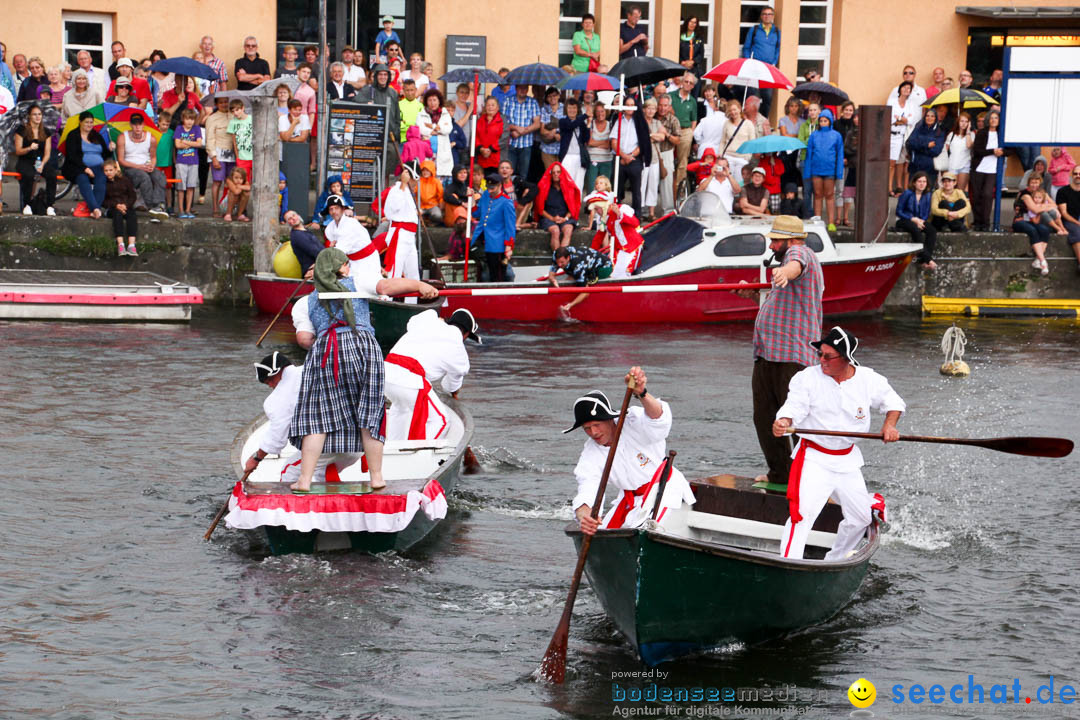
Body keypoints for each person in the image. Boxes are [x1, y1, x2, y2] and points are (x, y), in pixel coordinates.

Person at [287, 247, 437, 492]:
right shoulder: (358, 281)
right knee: (370, 412)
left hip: (326, 351)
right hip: (363, 347)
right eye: (347, 264)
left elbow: (304, 338)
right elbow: (387, 287)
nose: (349, 268)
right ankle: (377, 477)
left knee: (318, 419)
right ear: (342, 267)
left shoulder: (305, 302)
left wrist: (327, 344)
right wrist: (419, 286)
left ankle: (304, 480)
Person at [772, 327, 904, 561]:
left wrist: (890, 426)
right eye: (820, 354)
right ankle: (788, 564)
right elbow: (795, 406)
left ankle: (835, 560)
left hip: (847, 459)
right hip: (814, 458)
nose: (821, 360)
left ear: (846, 358)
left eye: (828, 356)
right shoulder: (807, 378)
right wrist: (784, 420)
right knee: (801, 516)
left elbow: (893, 401)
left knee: (861, 518)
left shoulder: (868, 379)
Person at [742, 215, 823, 487]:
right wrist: (751, 295)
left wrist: (784, 272)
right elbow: (777, 303)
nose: (772, 245)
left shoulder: (801, 253)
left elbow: (795, 265)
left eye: (776, 240)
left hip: (791, 356)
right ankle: (781, 474)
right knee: (764, 417)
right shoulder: (784, 266)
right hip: (767, 354)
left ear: (790, 240)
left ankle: (808, 478)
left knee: (795, 419)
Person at [569, 367, 696, 535]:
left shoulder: (633, 420)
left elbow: (660, 420)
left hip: (664, 491)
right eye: (587, 428)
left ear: (609, 420)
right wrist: (585, 517)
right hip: (629, 501)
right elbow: (587, 488)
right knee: (600, 534)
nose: (593, 433)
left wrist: (642, 393)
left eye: (596, 425)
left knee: (647, 533)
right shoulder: (590, 453)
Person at [248, 351, 359, 484]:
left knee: (288, 472)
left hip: (329, 444)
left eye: (270, 381)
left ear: (278, 372)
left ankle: (288, 504)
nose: (271, 386)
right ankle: (331, 501)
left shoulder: (277, 398)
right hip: (357, 443)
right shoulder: (315, 369)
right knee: (321, 472)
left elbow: (277, 436)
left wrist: (256, 458)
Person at [384, 308, 478, 442]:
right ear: (466, 334)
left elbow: (411, 323)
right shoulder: (459, 350)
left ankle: (395, 449)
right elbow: (449, 386)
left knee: (401, 409)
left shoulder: (428, 319)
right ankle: (417, 458)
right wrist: (454, 391)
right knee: (441, 421)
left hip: (384, 373)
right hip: (409, 380)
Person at [116, 113, 168, 218]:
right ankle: (152, 206)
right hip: (130, 167)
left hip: (146, 165)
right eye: (135, 124)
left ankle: (159, 204)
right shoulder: (122, 137)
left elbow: (153, 157)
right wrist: (139, 166)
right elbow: (121, 160)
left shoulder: (151, 138)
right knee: (144, 177)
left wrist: (152, 165)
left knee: (160, 176)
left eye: (139, 124)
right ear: (131, 125)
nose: (137, 127)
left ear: (143, 125)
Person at [62, 110, 112, 219]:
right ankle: (95, 208)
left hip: (99, 166)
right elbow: (72, 156)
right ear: (80, 122)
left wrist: (110, 149)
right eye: (86, 122)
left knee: (101, 179)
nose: (89, 125)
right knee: (82, 179)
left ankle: (94, 209)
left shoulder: (97, 135)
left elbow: (105, 154)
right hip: (77, 167)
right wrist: (85, 168)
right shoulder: (73, 135)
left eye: (91, 122)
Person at [378, 167, 421, 280]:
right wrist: (403, 184)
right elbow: (393, 208)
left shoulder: (409, 193)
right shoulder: (396, 189)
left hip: (410, 236)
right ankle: (389, 297)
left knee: (413, 275)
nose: (416, 183)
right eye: (414, 179)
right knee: (394, 272)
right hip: (400, 235)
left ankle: (411, 298)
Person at [13, 103, 57, 215]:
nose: (38, 117)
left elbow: (47, 153)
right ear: (29, 116)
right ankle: (27, 204)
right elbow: (18, 151)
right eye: (34, 114)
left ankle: (50, 205)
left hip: (40, 161)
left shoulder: (46, 132)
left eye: (39, 114)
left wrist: (42, 164)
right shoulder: (21, 130)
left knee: (52, 175)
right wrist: (29, 148)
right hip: (25, 160)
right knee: (29, 175)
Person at [611, 95, 650, 218]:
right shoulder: (618, 120)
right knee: (617, 190)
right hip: (619, 159)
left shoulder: (640, 122)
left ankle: (636, 218)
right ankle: (616, 216)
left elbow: (643, 143)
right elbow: (613, 141)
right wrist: (623, 156)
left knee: (636, 191)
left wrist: (630, 156)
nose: (629, 107)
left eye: (631, 105)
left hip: (634, 159)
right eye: (626, 105)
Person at [802, 108, 842, 229]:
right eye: (821, 121)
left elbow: (840, 155)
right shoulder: (814, 135)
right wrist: (807, 172)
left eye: (826, 120)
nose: (823, 123)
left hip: (830, 170)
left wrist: (839, 173)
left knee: (830, 195)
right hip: (816, 170)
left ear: (830, 121)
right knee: (818, 194)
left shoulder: (836, 135)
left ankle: (830, 222)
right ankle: (817, 220)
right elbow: (809, 155)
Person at [474, 172, 516, 281]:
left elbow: (510, 226)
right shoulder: (485, 196)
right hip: (482, 238)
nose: (490, 190)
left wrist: (509, 245)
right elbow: (477, 213)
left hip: (497, 243)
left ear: (499, 186)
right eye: (488, 187)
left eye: (493, 187)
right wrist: (472, 200)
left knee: (497, 275)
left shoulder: (506, 202)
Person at [740, 5, 781, 115]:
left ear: (773, 16)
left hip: (768, 70)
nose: (767, 16)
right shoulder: (754, 30)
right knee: (753, 97)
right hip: (755, 68)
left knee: (767, 98)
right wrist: (749, 61)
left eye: (769, 14)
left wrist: (774, 62)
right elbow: (746, 47)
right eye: (764, 14)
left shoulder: (776, 31)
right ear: (761, 16)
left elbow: (777, 49)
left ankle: (763, 121)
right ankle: (751, 120)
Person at [1014, 175, 1055, 276]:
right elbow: (1035, 210)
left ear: (1039, 183)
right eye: (1032, 182)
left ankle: (1037, 260)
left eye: (1036, 182)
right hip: (1020, 221)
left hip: (1033, 221)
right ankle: (1043, 261)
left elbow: (1054, 205)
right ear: (1028, 183)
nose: (1034, 185)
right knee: (1032, 230)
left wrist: (1043, 206)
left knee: (1045, 230)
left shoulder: (1041, 193)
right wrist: (1045, 206)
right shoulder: (1025, 194)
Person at [896, 172, 937, 270]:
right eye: (919, 181)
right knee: (915, 230)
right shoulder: (907, 193)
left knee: (932, 231)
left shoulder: (927, 195)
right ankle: (928, 259)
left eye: (924, 181)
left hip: (920, 220)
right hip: (905, 219)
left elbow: (926, 213)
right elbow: (899, 211)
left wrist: (920, 221)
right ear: (914, 183)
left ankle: (923, 261)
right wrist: (913, 219)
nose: (922, 184)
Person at [970, 109, 1003, 231]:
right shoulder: (982, 133)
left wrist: (1002, 152)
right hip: (979, 168)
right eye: (992, 118)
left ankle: (985, 223)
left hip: (992, 170)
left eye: (996, 118)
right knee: (977, 195)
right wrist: (993, 151)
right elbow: (977, 150)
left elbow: (1010, 150)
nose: (993, 120)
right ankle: (977, 222)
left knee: (988, 195)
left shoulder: (1001, 133)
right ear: (988, 120)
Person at [536, 162, 580, 251]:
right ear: (550, 174)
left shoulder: (568, 187)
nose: (556, 174)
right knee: (555, 231)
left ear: (562, 173)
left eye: (558, 172)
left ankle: (562, 258)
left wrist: (565, 218)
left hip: (565, 217)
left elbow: (573, 208)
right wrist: (552, 219)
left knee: (568, 230)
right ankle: (558, 258)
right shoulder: (544, 187)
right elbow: (540, 209)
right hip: (549, 218)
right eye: (554, 172)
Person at [101, 159, 139, 256]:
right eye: (106, 171)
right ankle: (121, 244)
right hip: (112, 207)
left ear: (115, 170)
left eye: (110, 170)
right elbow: (103, 201)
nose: (108, 173)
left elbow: (132, 196)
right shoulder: (103, 183)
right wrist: (116, 205)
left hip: (126, 205)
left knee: (132, 215)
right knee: (117, 216)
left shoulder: (125, 180)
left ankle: (131, 245)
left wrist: (125, 205)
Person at [503, 84, 541, 180]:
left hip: (526, 145)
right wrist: (514, 128)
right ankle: (509, 194)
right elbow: (502, 122)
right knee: (508, 174)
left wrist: (521, 132)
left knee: (523, 175)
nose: (523, 90)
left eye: (525, 88)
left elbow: (537, 124)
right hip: (510, 143)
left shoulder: (533, 102)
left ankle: (520, 194)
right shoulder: (508, 100)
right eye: (520, 88)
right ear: (516, 88)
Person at [668, 73, 698, 195]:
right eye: (686, 81)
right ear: (681, 82)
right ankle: (667, 187)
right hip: (671, 130)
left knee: (683, 162)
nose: (688, 84)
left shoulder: (693, 101)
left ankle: (679, 189)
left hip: (686, 130)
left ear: (693, 86)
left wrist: (691, 132)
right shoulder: (671, 96)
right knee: (668, 160)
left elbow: (694, 119)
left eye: (691, 83)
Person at [205, 95, 234, 217]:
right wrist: (213, 157)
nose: (224, 104)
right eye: (221, 102)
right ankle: (216, 208)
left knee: (232, 182)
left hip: (232, 153)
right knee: (217, 182)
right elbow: (209, 139)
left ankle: (229, 208)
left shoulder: (233, 116)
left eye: (226, 101)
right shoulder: (212, 119)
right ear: (216, 104)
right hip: (218, 153)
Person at [417, 88, 453, 181]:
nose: (432, 103)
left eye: (434, 100)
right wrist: (435, 130)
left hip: (442, 151)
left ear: (439, 101)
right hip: (427, 152)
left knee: (440, 179)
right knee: (427, 176)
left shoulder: (445, 113)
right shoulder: (421, 114)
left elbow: (447, 129)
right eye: (430, 100)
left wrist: (432, 126)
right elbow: (421, 129)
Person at [173, 108, 203, 218]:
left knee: (191, 186)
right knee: (181, 187)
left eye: (192, 119)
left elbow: (199, 144)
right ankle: (181, 210)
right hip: (181, 162)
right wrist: (193, 143)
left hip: (193, 161)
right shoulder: (179, 129)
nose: (190, 121)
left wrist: (185, 141)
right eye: (187, 119)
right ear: (183, 119)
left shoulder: (196, 128)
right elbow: (177, 145)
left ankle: (188, 209)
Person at [906, 108, 945, 188]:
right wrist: (926, 145)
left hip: (930, 168)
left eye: (932, 116)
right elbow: (910, 143)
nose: (929, 118)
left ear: (935, 118)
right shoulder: (918, 129)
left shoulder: (939, 133)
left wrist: (918, 148)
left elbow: (936, 151)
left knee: (927, 194)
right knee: (913, 192)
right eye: (927, 116)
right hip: (915, 166)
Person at [1054, 165, 1080, 272]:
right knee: (1077, 232)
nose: (1078, 176)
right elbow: (1064, 213)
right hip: (1069, 221)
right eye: (1076, 174)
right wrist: (1078, 223)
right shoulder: (1063, 191)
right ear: (1072, 175)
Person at [585, 103, 614, 195]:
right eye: (597, 111)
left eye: (602, 111)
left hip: (607, 160)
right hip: (592, 160)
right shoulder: (591, 124)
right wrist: (604, 142)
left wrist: (595, 143)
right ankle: (590, 207)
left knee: (605, 187)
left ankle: (603, 208)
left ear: (606, 112)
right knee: (591, 186)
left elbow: (610, 145)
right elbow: (589, 142)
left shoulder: (610, 125)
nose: (600, 113)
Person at [284, 210, 323, 277]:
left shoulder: (305, 231)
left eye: (293, 215)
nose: (293, 218)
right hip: (313, 273)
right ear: (288, 223)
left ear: (298, 216)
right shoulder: (297, 235)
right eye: (289, 218)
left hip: (321, 268)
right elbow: (315, 251)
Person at [946, 112, 974, 193]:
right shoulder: (951, 135)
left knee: (960, 191)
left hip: (965, 165)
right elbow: (945, 150)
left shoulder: (971, 135)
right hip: (952, 165)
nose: (963, 124)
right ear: (958, 122)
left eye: (966, 121)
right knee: (950, 190)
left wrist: (968, 131)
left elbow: (969, 145)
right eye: (962, 121)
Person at [227, 99, 254, 180]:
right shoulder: (232, 122)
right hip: (242, 157)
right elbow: (234, 141)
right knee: (244, 180)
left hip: (254, 155)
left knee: (256, 179)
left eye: (237, 110)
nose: (235, 113)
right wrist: (237, 156)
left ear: (243, 108)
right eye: (233, 111)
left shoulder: (252, 119)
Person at [475, 96, 503, 172]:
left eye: (493, 105)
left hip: (496, 159)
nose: (490, 107)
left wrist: (490, 149)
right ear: (485, 107)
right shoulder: (480, 120)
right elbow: (476, 136)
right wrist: (481, 149)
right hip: (481, 157)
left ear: (497, 108)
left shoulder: (502, 120)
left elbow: (503, 139)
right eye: (488, 105)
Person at [679, 17, 706, 88]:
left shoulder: (699, 37)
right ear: (687, 22)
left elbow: (701, 54)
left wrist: (693, 62)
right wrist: (682, 62)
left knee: (695, 91)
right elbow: (676, 51)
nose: (692, 24)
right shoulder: (680, 36)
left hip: (695, 69)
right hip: (682, 68)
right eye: (691, 22)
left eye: (695, 22)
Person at [416, 159, 444, 224]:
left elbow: (440, 195)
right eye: (423, 170)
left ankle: (429, 221)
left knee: (438, 216)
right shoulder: (418, 181)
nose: (425, 172)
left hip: (433, 205)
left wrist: (441, 204)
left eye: (427, 170)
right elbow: (414, 193)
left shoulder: (436, 181)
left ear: (431, 171)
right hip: (420, 206)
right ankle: (424, 220)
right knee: (414, 216)